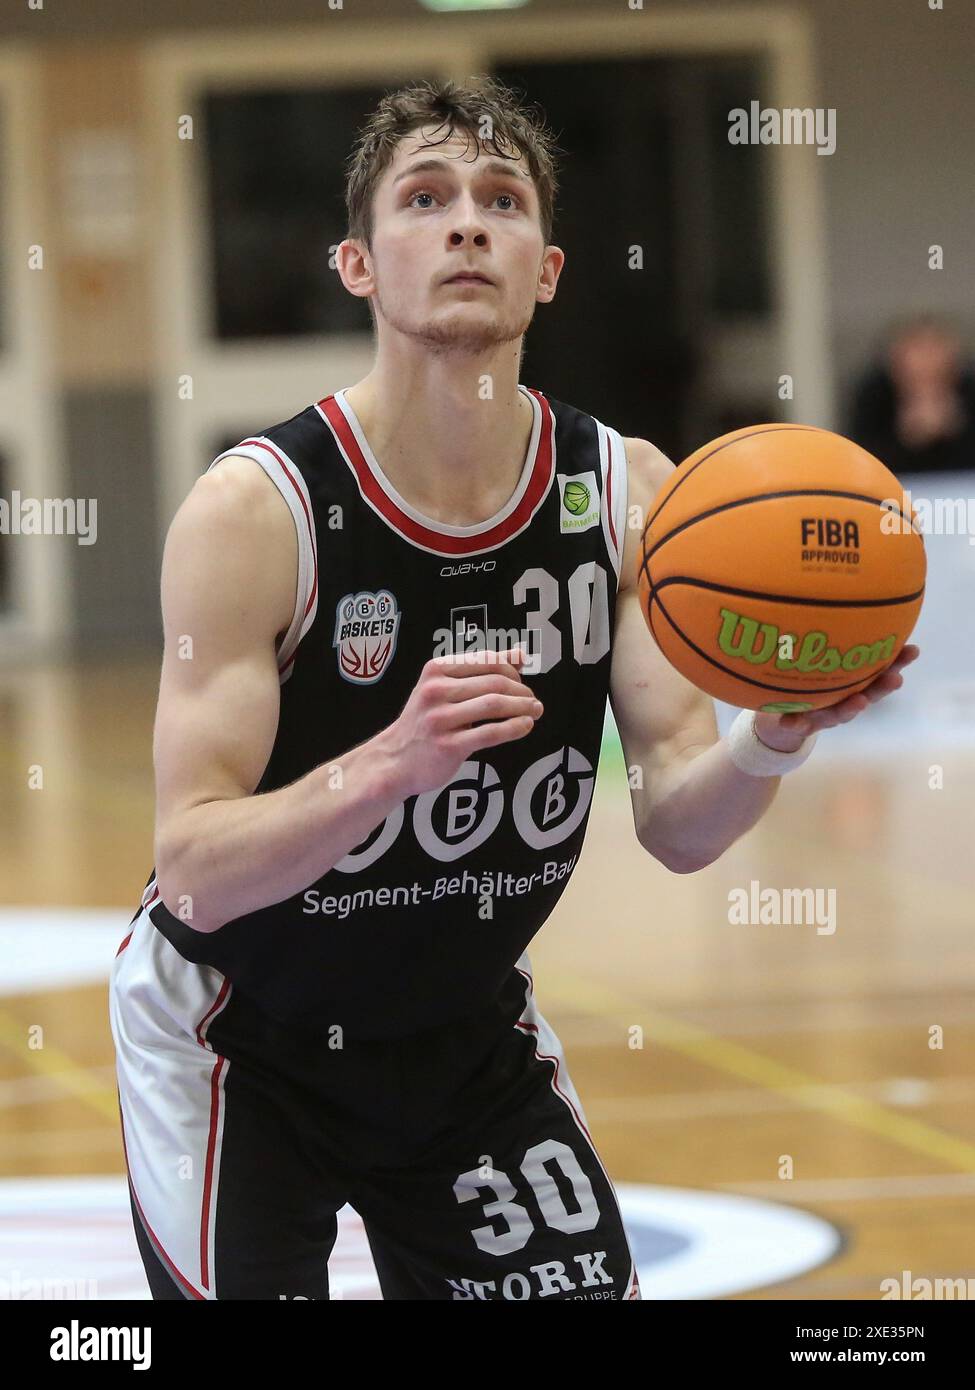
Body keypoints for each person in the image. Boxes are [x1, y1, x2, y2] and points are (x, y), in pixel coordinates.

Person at [108, 75, 918, 1301]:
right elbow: (195, 869)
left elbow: (678, 823)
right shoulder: (254, 511)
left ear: (548, 268)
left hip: (460, 1030)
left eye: (502, 200)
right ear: (359, 264)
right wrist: (393, 762)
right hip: (236, 1035)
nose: (468, 224)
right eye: (424, 198)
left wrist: (772, 737)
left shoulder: (629, 488)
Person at [848, 314, 975, 475]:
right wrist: (908, 438)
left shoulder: (969, 392)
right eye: (918, 349)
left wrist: (954, 428)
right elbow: (860, 461)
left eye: (934, 348)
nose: (927, 362)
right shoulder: (873, 396)